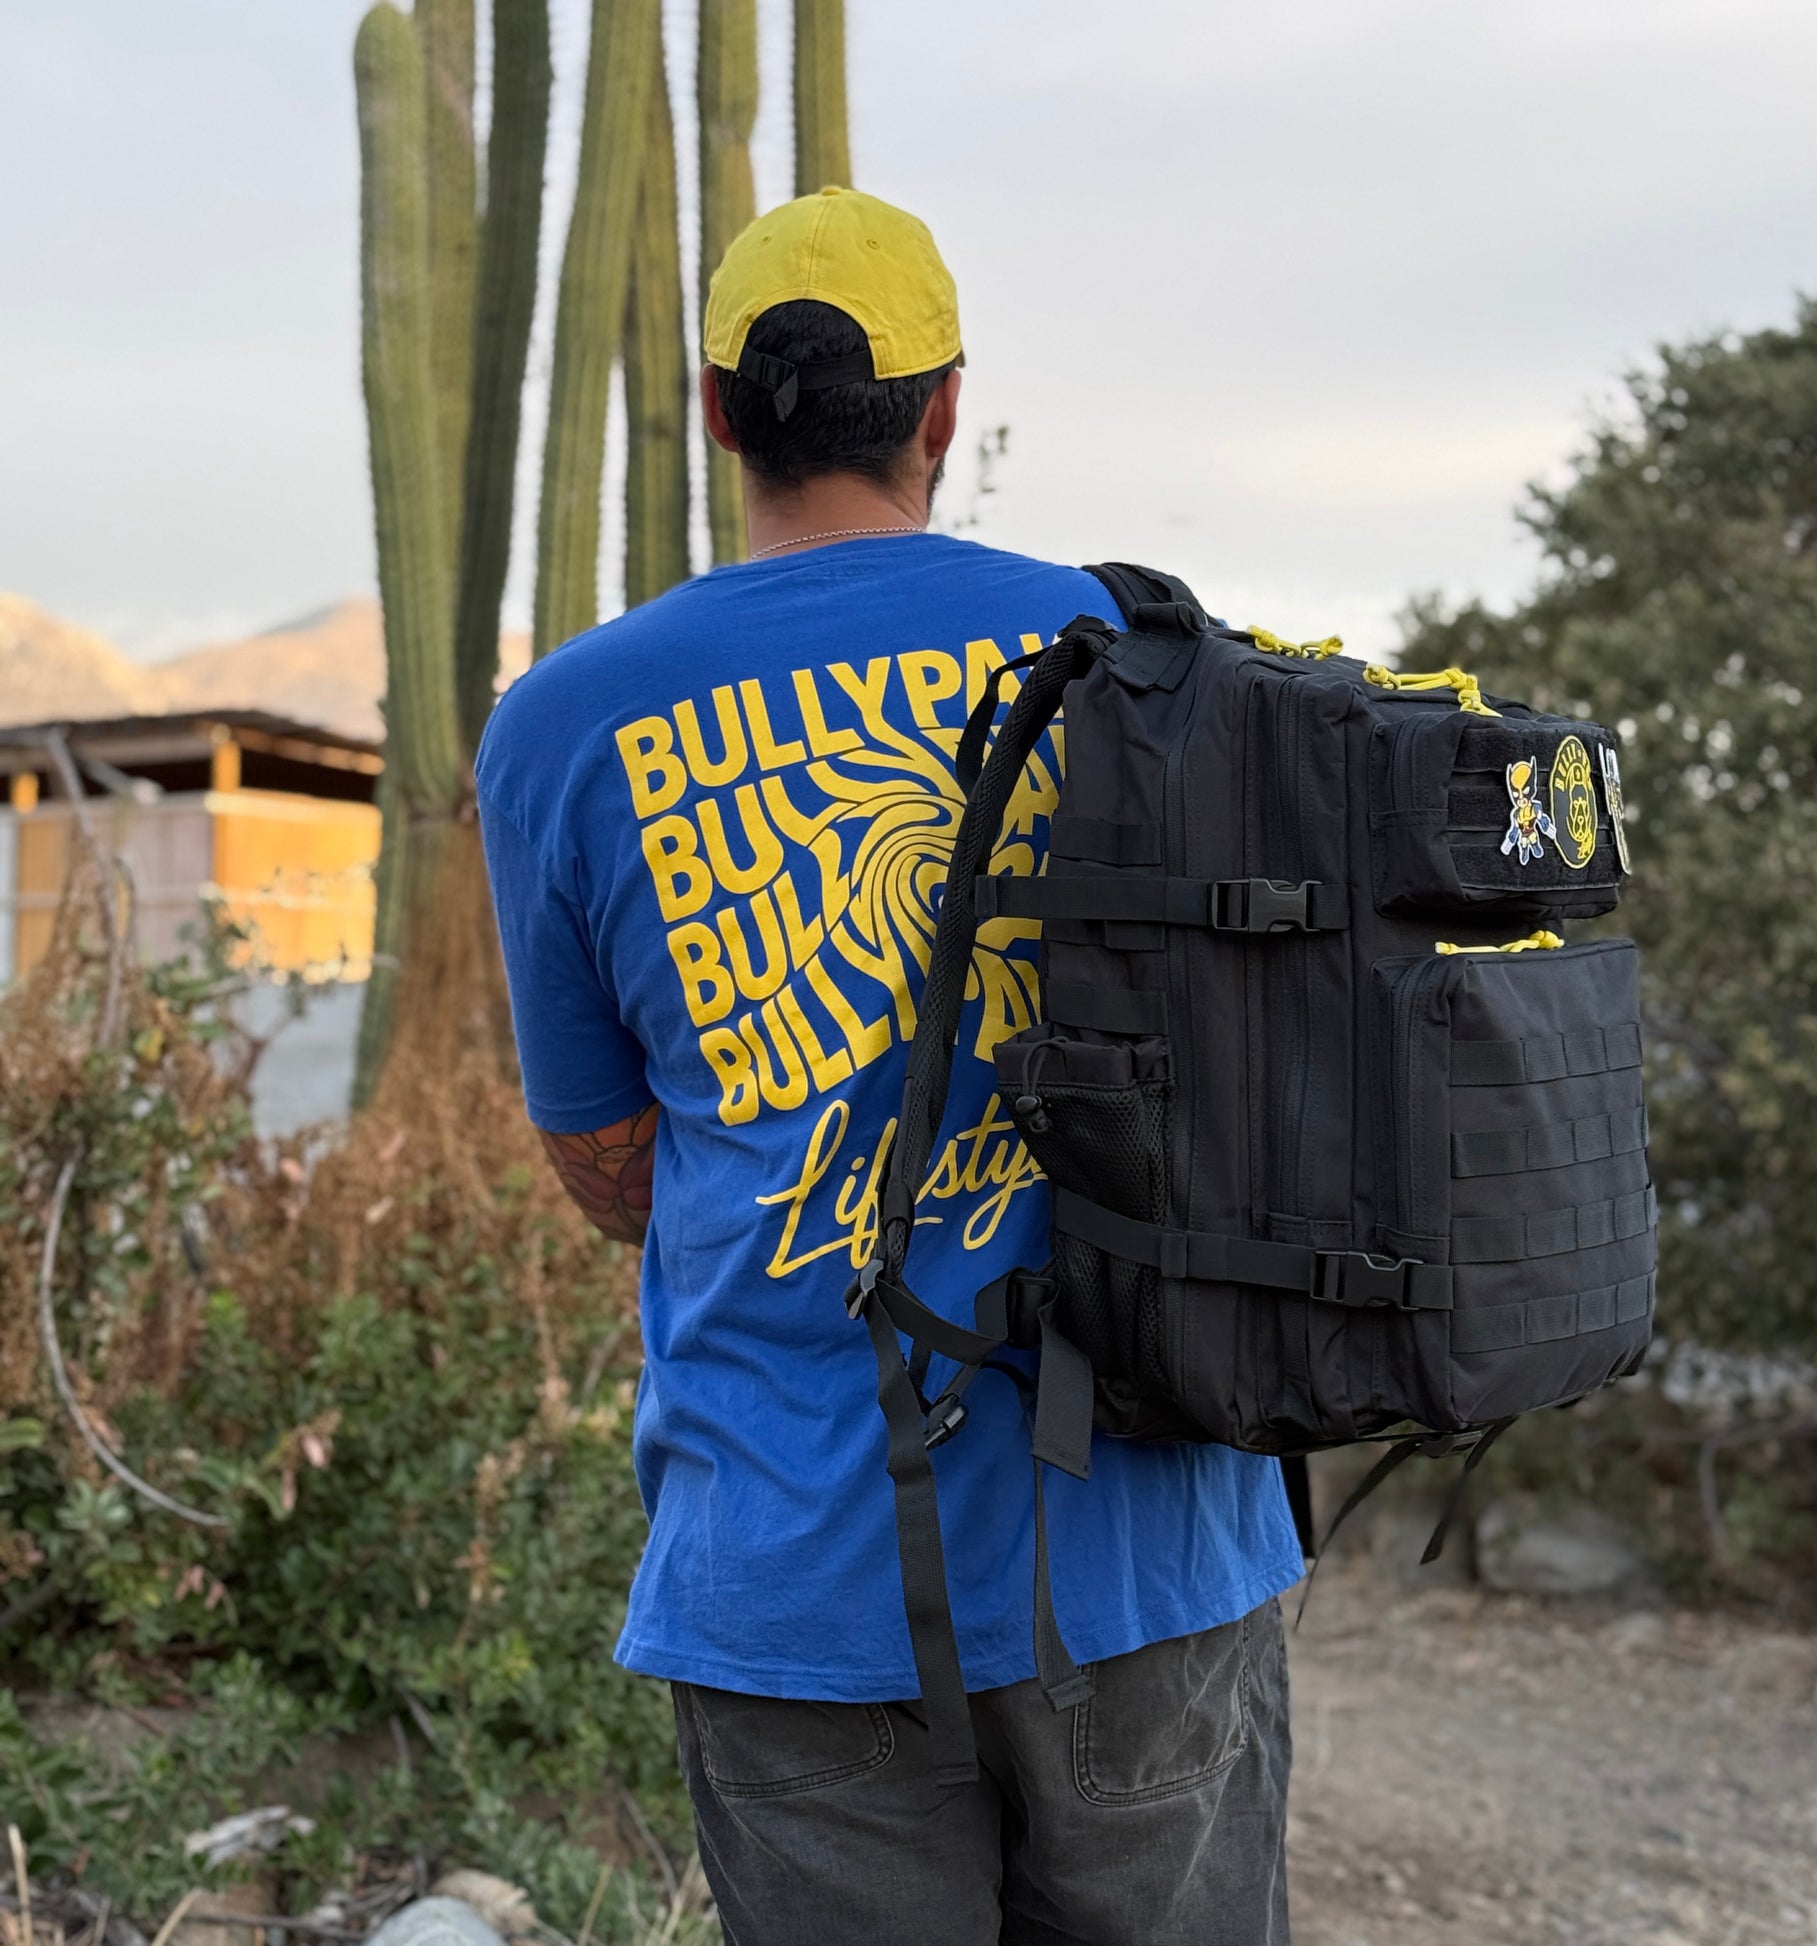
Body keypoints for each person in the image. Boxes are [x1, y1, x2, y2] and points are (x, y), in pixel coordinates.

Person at [476, 187, 1302, 1946]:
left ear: (717, 414)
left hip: (794, 1575)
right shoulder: (1146, 661)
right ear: (943, 409)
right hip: (1147, 1551)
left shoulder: (562, 721)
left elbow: (610, 1171)